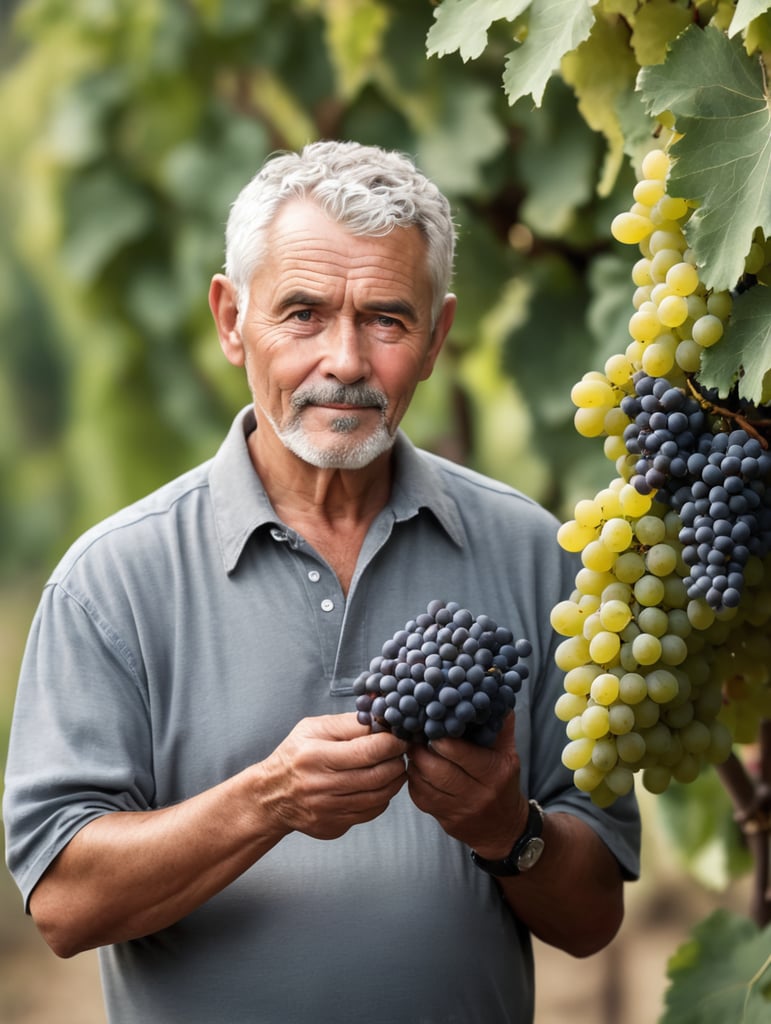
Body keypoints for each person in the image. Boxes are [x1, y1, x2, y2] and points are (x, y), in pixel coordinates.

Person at [3, 140, 640, 1024]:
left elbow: (594, 917)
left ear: (436, 338)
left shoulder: (535, 555)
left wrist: (509, 833)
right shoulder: (112, 580)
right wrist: (268, 799)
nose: (344, 360)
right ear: (231, 320)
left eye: (386, 318)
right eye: (301, 313)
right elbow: (64, 906)